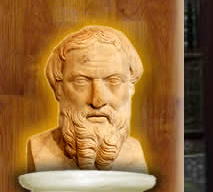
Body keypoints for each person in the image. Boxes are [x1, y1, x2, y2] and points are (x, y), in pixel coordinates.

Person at [27, 25, 147, 173]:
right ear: (59, 88)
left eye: (114, 80)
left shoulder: (135, 153)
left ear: (130, 87)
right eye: (81, 81)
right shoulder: (40, 151)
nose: (97, 101)